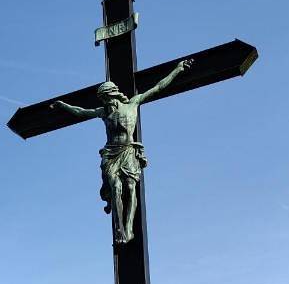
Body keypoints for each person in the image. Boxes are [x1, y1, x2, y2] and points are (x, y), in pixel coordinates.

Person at [51, 58, 193, 243]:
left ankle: (128, 228)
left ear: (113, 95)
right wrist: (64, 106)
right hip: (111, 153)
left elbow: (158, 88)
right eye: (103, 100)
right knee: (116, 187)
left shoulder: (133, 104)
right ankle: (119, 229)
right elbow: (81, 112)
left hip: (127, 150)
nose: (105, 103)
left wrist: (177, 70)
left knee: (130, 186)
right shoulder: (103, 112)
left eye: (106, 98)